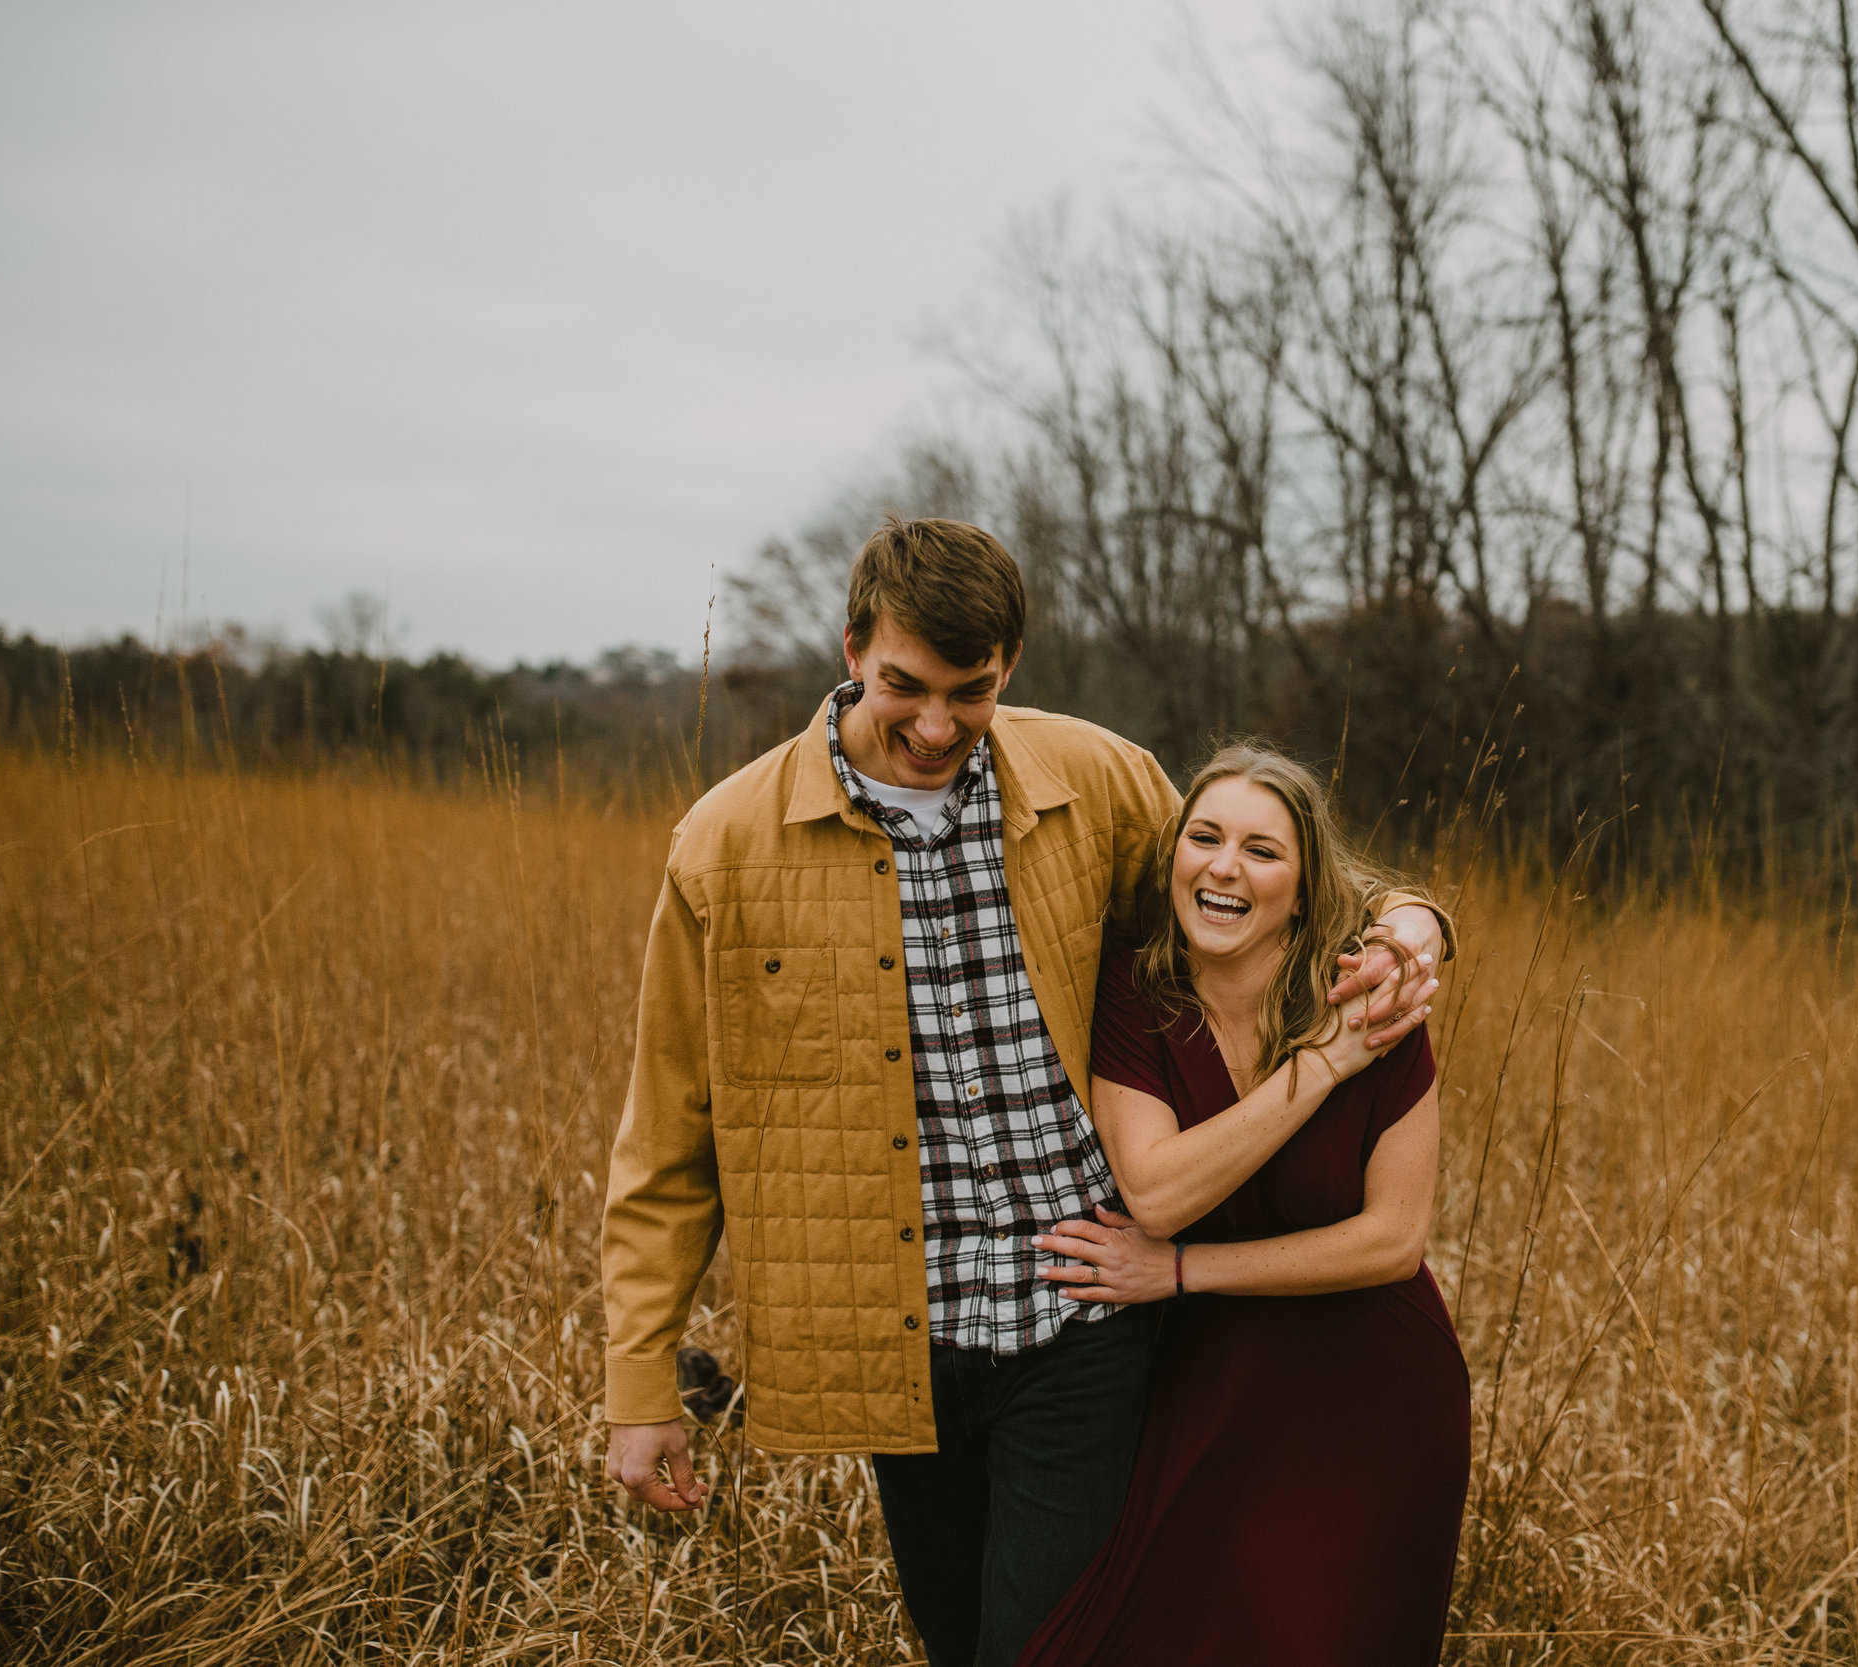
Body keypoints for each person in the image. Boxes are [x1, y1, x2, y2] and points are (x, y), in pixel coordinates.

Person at [596, 516, 1449, 1667]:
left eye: (972, 691)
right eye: (905, 685)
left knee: (1051, 1644)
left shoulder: (1095, 783)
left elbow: (1255, 883)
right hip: (898, 1342)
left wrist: (1412, 921)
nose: (936, 725)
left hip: (1081, 1320)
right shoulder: (725, 845)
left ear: (1009, 670)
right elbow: (669, 1138)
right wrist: (640, 1380)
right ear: (852, 648)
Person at [1012, 743, 1471, 1667]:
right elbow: (1158, 1188)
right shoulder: (1135, 997)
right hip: (1215, 1395)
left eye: (1263, 851)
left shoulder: (1374, 1002)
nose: (1225, 866)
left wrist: (1179, 1271)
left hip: (1377, 1399)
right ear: (1173, 858)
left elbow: (1392, 1240)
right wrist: (1325, 1064)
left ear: (1304, 890)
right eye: (1205, 837)